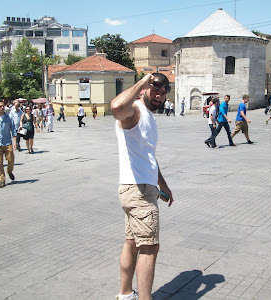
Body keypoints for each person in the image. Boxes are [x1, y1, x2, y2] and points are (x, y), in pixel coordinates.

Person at [111, 73, 174, 300]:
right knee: (149, 247)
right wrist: (141, 81)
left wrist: (163, 187)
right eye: (154, 90)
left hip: (140, 189)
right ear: (144, 89)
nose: (158, 96)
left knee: (132, 243)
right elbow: (116, 106)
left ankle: (125, 294)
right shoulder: (135, 111)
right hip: (138, 192)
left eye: (163, 92)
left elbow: (149, 157)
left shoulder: (148, 116)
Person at [0, 100, 17, 188]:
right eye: (0, 106)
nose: (2, 108)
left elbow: (13, 130)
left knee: (11, 159)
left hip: (7, 142)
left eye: (3, 106)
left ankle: (9, 171)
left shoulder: (9, 117)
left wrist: (14, 141)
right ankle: (2, 179)